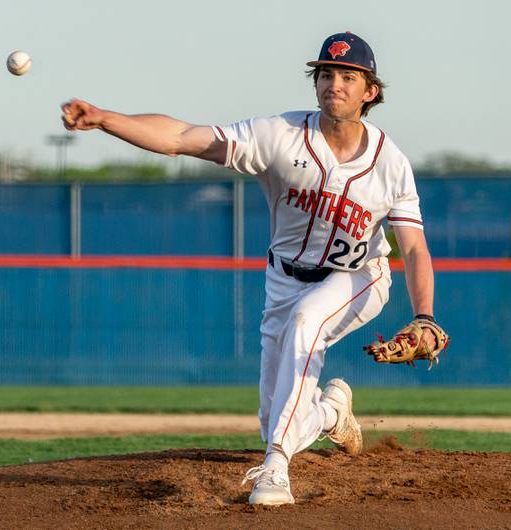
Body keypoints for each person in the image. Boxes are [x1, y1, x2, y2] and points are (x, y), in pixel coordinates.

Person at [61, 31, 440, 506]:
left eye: (348, 76)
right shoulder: (279, 136)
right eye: (326, 74)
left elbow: (415, 249)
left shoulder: (391, 164)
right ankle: (329, 415)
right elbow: (181, 138)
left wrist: (424, 315)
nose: (334, 84)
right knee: (275, 415)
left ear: (371, 92)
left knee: (310, 323)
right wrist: (106, 119)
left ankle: (276, 470)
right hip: (284, 281)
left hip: (360, 278)